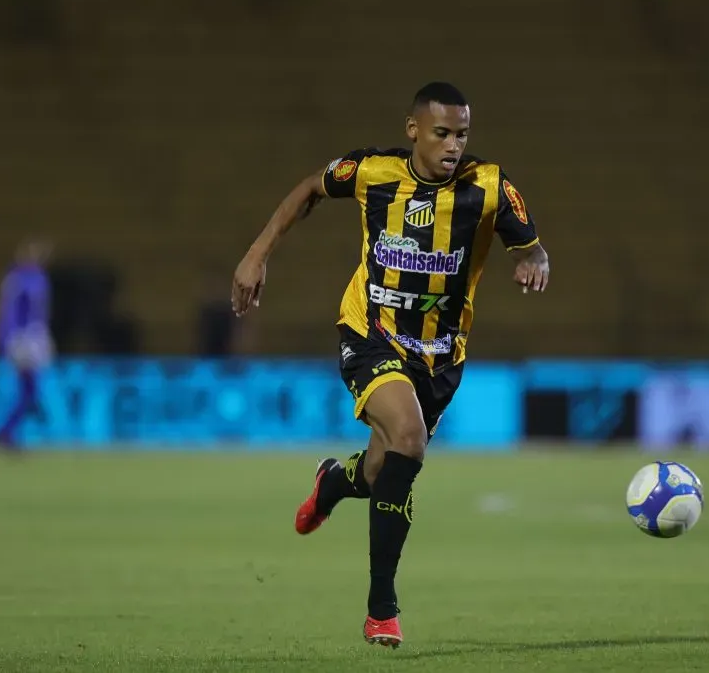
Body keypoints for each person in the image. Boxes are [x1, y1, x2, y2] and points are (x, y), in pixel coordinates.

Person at [231, 82, 550, 647]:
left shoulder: (489, 185)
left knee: (383, 469)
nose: (454, 145)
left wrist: (532, 260)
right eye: (442, 133)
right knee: (408, 437)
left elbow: (530, 243)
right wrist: (256, 255)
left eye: (462, 134)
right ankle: (383, 607)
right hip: (370, 333)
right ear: (413, 131)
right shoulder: (373, 172)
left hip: (440, 358)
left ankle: (333, 482)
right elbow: (311, 187)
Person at [0, 238, 54, 450]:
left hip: (32, 338)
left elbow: (39, 314)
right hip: (23, 340)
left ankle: (7, 432)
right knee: (28, 390)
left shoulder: (38, 278)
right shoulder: (17, 280)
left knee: (28, 390)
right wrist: (5, 338)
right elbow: (9, 312)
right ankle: (6, 431)